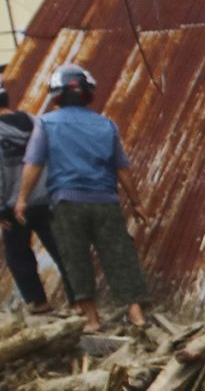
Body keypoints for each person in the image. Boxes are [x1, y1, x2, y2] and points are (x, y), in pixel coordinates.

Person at [18, 63, 151, 333]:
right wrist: (136, 202)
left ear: (56, 96)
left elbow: (34, 164)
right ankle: (135, 313)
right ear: (88, 93)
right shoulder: (106, 124)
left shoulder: (45, 123)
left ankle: (92, 319)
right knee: (119, 255)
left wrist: (22, 198)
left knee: (75, 257)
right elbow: (121, 168)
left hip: (67, 203)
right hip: (105, 201)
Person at [0, 74, 60, 312]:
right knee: (60, 250)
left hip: (13, 205)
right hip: (46, 198)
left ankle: (38, 302)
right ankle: (78, 298)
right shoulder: (33, 121)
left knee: (18, 256)